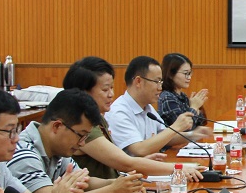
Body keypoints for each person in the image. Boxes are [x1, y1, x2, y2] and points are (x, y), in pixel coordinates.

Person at [63, 57, 203, 182]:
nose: (111, 94)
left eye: (112, 88)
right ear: (83, 93)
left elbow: (119, 166)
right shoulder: (81, 126)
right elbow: (126, 162)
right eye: (105, 90)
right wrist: (178, 168)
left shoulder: (98, 119)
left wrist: (136, 166)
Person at [9, 89, 153, 193]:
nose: (82, 144)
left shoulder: (57, 150)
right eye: (81, 135)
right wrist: (112, 190)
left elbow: (85, 182)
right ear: (57, 126)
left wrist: (122, 185)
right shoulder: (24, 154)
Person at [105, 55, 197, 156]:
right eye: (157, 82)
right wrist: (176, 127)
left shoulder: (148, 108)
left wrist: (194, 134)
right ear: (138, 81)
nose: (160, 88)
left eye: (161, 82)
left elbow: (165, 137)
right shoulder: (119, 112)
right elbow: (139, 150)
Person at [157, 53, 210, 133]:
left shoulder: (182, 96)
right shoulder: (167, 97)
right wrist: (194, 107)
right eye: (186, 73)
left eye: (190, 73)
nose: (189, 77)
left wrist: (197, 108)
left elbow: (202, 122)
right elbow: (185, 129)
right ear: (171, 74)